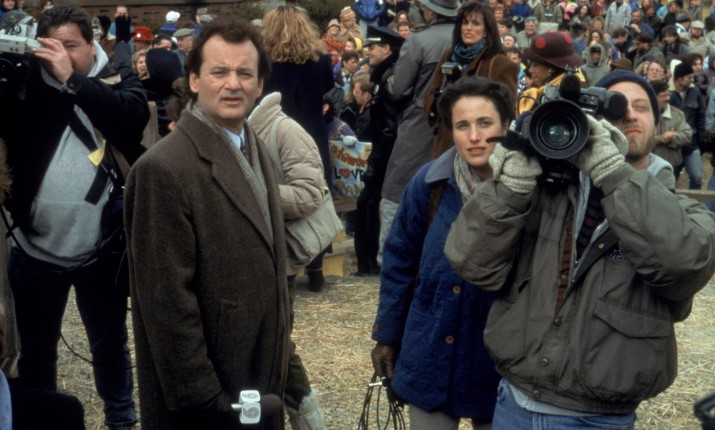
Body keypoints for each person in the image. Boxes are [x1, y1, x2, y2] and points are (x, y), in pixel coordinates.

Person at [445, 68, 715, 428]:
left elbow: (683, 268)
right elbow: (471, 263)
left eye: (640, 107)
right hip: (513, 403)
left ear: (657, 122)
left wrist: (613, 172)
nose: (629, 115)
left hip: (599, 419)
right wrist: (511, 186)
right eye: (616, 108)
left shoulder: (684, 211)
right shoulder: (544, 194)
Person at [124, 16, 289, 430]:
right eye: (219, 72)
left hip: (255, 382)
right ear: (195, 81)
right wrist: (205, 402)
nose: (233, 84)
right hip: (207, 403)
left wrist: (293, 381)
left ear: (260, 85)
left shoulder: (255, 149)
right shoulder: (163, 168)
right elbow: (165, 304)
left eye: (244, 73)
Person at [0, 5, 148, 430]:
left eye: (71, 46)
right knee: (37, 349)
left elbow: (132, 117)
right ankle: (42, 420)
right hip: (34, 246)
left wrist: (74, 80)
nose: (61, 55)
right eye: (53, 46)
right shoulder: (26, 82)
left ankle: (121, 418)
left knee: (109, 343)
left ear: (92, 45)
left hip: (100, 248)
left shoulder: (115, 75)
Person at [371, 77, 514, 430]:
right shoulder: (430, 182)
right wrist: (387, 335)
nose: (474, 136)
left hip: (498, 358)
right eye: (462, 125)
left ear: (506, 125)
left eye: (485, 123)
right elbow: (399, 261)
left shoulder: (527, 187)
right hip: (431, 348)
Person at [247, 92, 328, 430]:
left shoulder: (284, 129)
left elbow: (310, 193)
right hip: (242, 258)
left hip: (277, 258)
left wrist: (251, 190)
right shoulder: (231, 129)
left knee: (277, 345)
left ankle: (308, 420)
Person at [262, 5, 335, 291]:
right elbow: (327, 86)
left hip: (275, 134)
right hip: (312, 133)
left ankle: (286, 271)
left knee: (279, 198)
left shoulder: (264, 63)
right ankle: (316, 271)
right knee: (316, 196)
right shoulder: (321, 61)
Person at [379, 0, 457, 265]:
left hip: (420, 124)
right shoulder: (469, 37)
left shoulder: (419, 40)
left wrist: (385, 80)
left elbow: (398, 88)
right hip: (458, 125)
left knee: (396, 189)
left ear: (431, 10)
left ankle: (389, 259)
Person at [424, 0, 518, 159]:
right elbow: (431, 93)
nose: (468, 28)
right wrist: (439, 105)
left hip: (479, 146)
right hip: (445, 143)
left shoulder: (500, 63)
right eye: (465, 22)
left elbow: (507, 111)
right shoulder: (448, 55)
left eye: (475, 23)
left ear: (487, 30)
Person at [352, 26, 404, 276]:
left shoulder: (390, 78)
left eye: (372, 47)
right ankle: (367, 264)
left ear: (386, 49)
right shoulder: (383, 76)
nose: (368, 52)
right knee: (367, 205)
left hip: (387, 156)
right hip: (384, 153)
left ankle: (369, 265)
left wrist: (376, 164)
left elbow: (390, 129)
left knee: (368, 205)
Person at [517, 31, 587, 115]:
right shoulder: (540, 90)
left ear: (552, 68)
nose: (530, 70)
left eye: (535, 65)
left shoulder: (569, 95)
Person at [671, 61, 706, 190]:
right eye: (689, 77)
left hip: (692, 143)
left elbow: (700, 116)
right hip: (672, 145)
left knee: (697, 178)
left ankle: (693, 201)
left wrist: (702, 139)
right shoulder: (667, 94)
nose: (692, 80)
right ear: (679, 79)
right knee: (670, 180)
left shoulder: (695, 92)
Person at [652, 79, 693, 173]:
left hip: (672, 165)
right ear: (653, 97)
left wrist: (672, 138)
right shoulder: (644, 115)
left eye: (668, 95)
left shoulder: (677, 114)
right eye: (663, 96)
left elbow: (687, 135)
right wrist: (659, 139)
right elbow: (640, 141)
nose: (668, 98)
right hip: (650, 165)